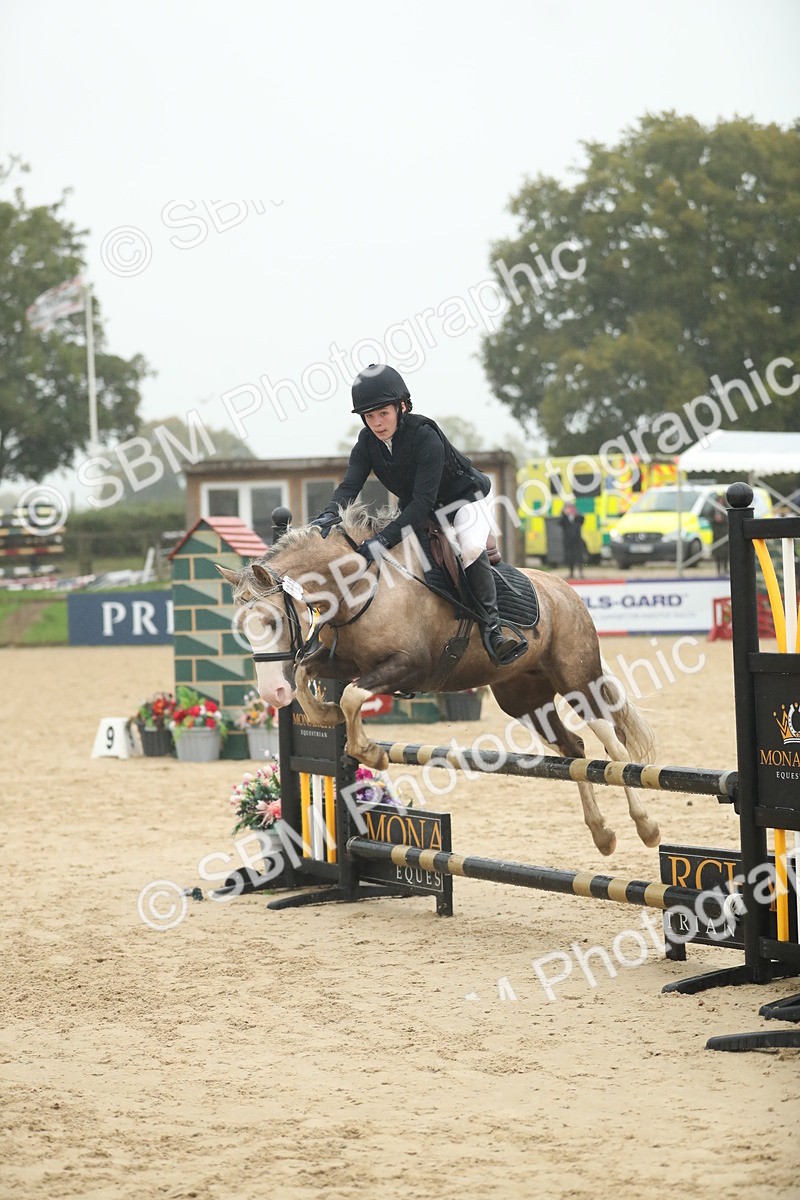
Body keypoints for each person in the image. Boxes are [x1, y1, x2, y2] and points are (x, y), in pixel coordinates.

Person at [309, 363, 525, 665]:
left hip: (464, 500)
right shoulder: (367, 442)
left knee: (469, 550)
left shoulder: (425, 436)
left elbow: (423, 502)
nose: (377, 423)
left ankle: (493, 631)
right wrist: (329, 514)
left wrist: (382, 540)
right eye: (369, 416)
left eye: (383, 413)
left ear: (402, 407)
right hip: (422, 506)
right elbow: (350, 485)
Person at [559, 502, 585, 579]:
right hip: (568, 541)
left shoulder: (578, 518)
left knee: (579, 557)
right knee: (570, 557)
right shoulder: (564, 518)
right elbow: (560, 522)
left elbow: (582, 519)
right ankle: (571, 573)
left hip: (577, 540)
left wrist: (576, 513)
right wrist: (564, 513)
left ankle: (581, 573)